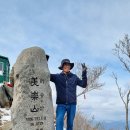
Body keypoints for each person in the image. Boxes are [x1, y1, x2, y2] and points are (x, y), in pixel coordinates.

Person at [50, 59, 87, 130]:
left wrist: (84, 72)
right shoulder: (57, 77)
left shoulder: (74, 77)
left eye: (68, 65)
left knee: (70, 124)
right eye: (65, 65)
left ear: (70, 67)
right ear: (62, 67)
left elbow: (83, 84)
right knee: (59, 122)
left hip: (72, 104)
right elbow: (46, 75)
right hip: (61, 104)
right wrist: (44, 61)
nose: (67, 66)